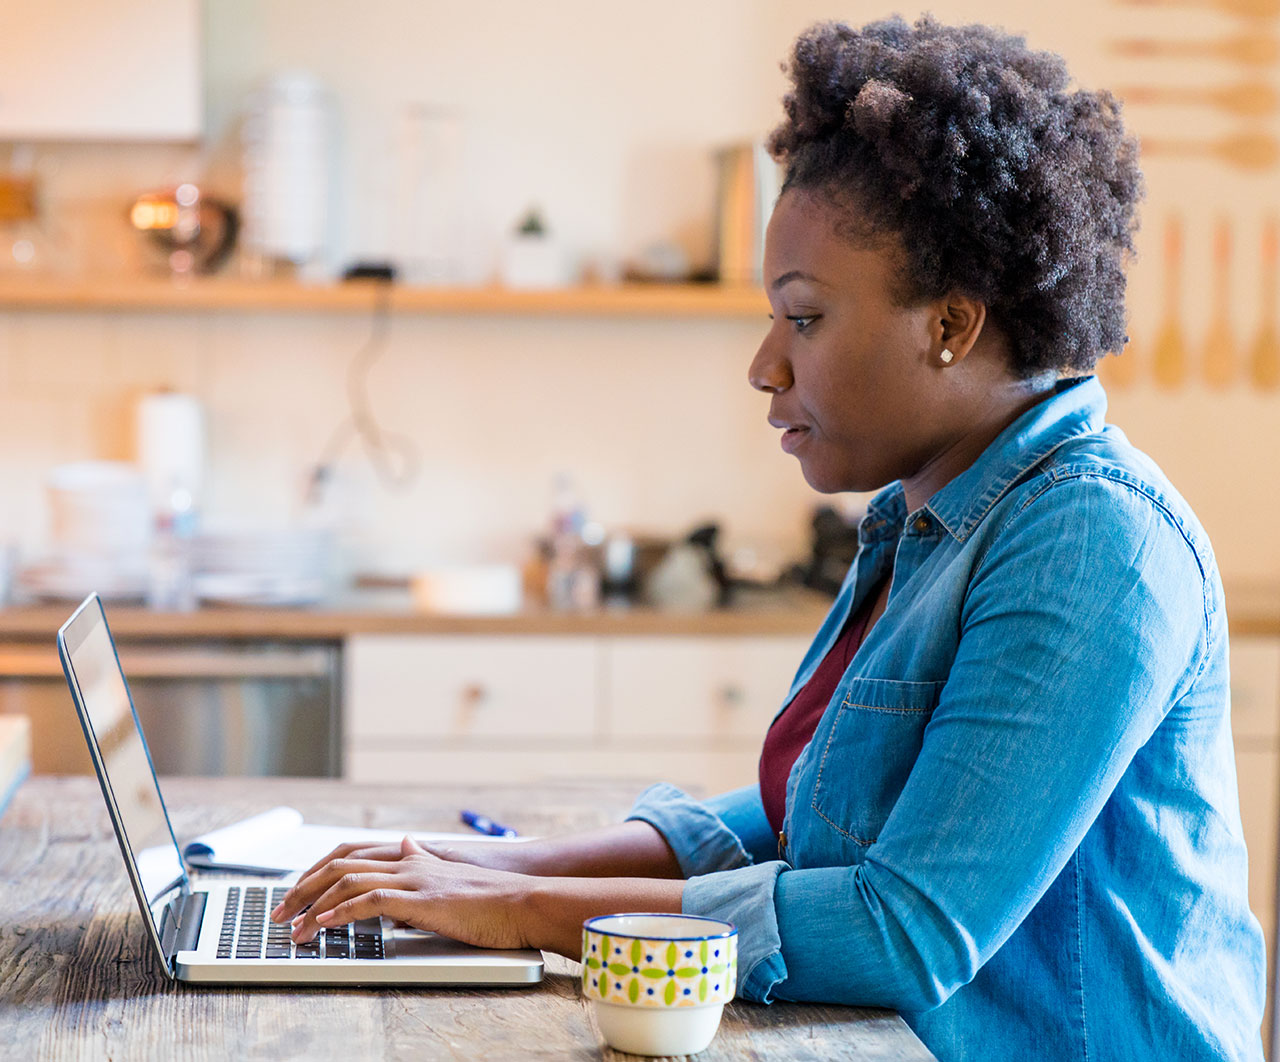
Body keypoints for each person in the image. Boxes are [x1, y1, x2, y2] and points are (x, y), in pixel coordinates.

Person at [271, 16, 1265, 1060]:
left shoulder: (1092, 545)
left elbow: (901, 928)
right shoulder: (928, 517)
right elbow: (806, 815)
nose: (762, 366)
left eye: (802, 320)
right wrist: (500, 868)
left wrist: (523, 914)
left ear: (949, 326)